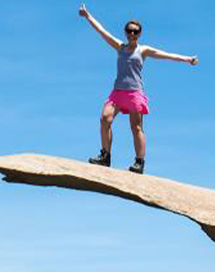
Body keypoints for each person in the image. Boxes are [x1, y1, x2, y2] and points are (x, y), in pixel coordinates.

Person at [79, 4, 198, 173]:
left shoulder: (143, 50)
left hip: (135, 93)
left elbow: (166, 55)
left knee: (136, 127)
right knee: (105, 118)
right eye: (129, 30)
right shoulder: (120, 47)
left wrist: (187, 59)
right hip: (118, 93)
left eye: (135, 31)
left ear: (140, 33)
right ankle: (105, 156)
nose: (132, 34)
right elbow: (102, 32)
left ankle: (139, 162)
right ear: (125, 32)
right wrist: (88, 15)